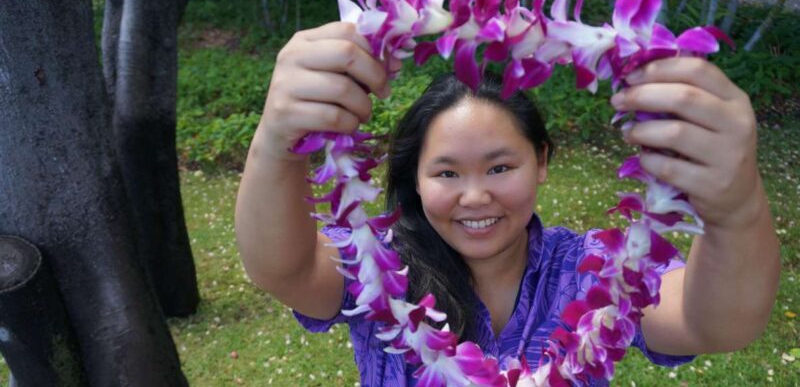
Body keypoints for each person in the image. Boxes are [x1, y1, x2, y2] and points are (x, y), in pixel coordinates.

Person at [234, 22, 781, 386]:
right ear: (416, 180)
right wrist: (276, 143)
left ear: (540, 161)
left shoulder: (590, 270)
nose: (476, 196)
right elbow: (284, 268)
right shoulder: (382, 266)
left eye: (500, 167)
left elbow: (714, 322)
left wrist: (736, 210)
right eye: (446, 172)